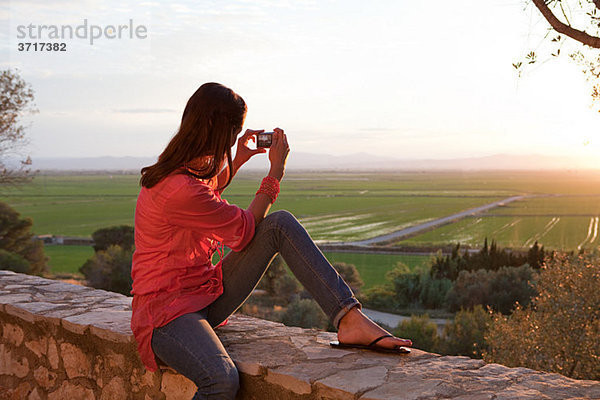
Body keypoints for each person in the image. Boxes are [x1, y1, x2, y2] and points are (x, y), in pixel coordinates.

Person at [130, 82, 412, 399]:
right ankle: (350, 320)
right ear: (214, 130)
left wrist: (238, 158)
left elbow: (207, 192)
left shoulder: (183, 172)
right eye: (232, 137)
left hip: (203, 294)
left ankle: (349, 318)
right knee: (221, 380)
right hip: (167, 316)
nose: (232, 142)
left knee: (279, 224)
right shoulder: (180, 188)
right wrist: (275, 173)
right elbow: (244, 231)